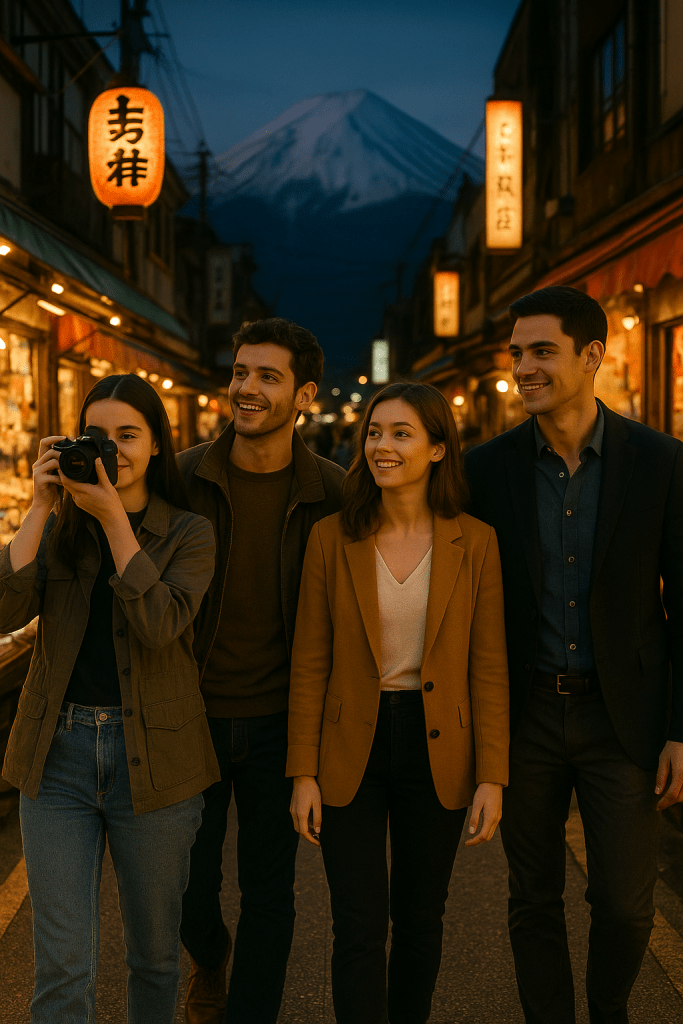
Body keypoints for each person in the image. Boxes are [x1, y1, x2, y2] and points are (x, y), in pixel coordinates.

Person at [464, 285, 683, 1024]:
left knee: (623, 905)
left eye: (541, 352)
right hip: (523, 713)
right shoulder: (483, 470)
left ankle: (608, 1011)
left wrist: (681, 728)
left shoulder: (660, 462)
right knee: (532, 898)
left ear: (591, 356)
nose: (523, 367)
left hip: (622, 719)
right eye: (517, 353)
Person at [287, 381, 510, 1024]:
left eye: (403, 433)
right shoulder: (333, 537)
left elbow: (488, 666)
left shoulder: (477, 542)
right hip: (348, 743)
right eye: (375, 432)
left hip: (436, 744)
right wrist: (303, 770)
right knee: (356, 927)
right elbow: (310, 661)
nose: (383, 446)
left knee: (420, 920)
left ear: (439, 448)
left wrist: (492, 775)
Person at [0, 373, 219, 1024]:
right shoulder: (60, 528)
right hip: (57, 757)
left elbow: (159, 625)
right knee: (61, 961)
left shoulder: (189, 533)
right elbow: (5, 605)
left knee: (153, 956)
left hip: (157, 763)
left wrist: (114, 521)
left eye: (130, 435)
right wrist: (39, 507)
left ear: (157, 445)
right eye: (100, 435)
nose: (114, 450)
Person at [177, 318, 345, 1024]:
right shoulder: (182, 478)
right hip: (190, 716)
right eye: (241, 372)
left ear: (302, 394)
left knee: (270, 893)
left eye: (266, 377)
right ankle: (209, 954)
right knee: (186, 885)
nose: (245, 388)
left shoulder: (334, 492)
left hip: (284, 722)